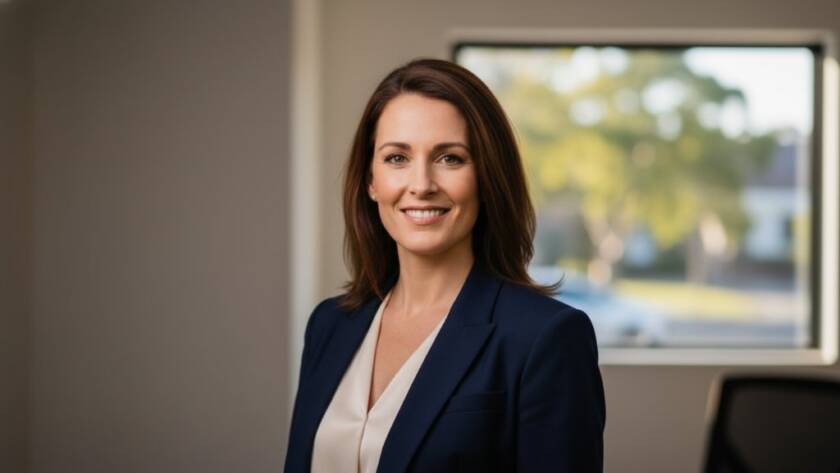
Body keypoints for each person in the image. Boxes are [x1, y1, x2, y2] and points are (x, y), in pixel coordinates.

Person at [284, 58, 605, 473]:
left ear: (487, 176)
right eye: (397, 158)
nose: (421, 184)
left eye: (450, 158)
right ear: (370, 181)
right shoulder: (329, 324)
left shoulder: (545, 338)